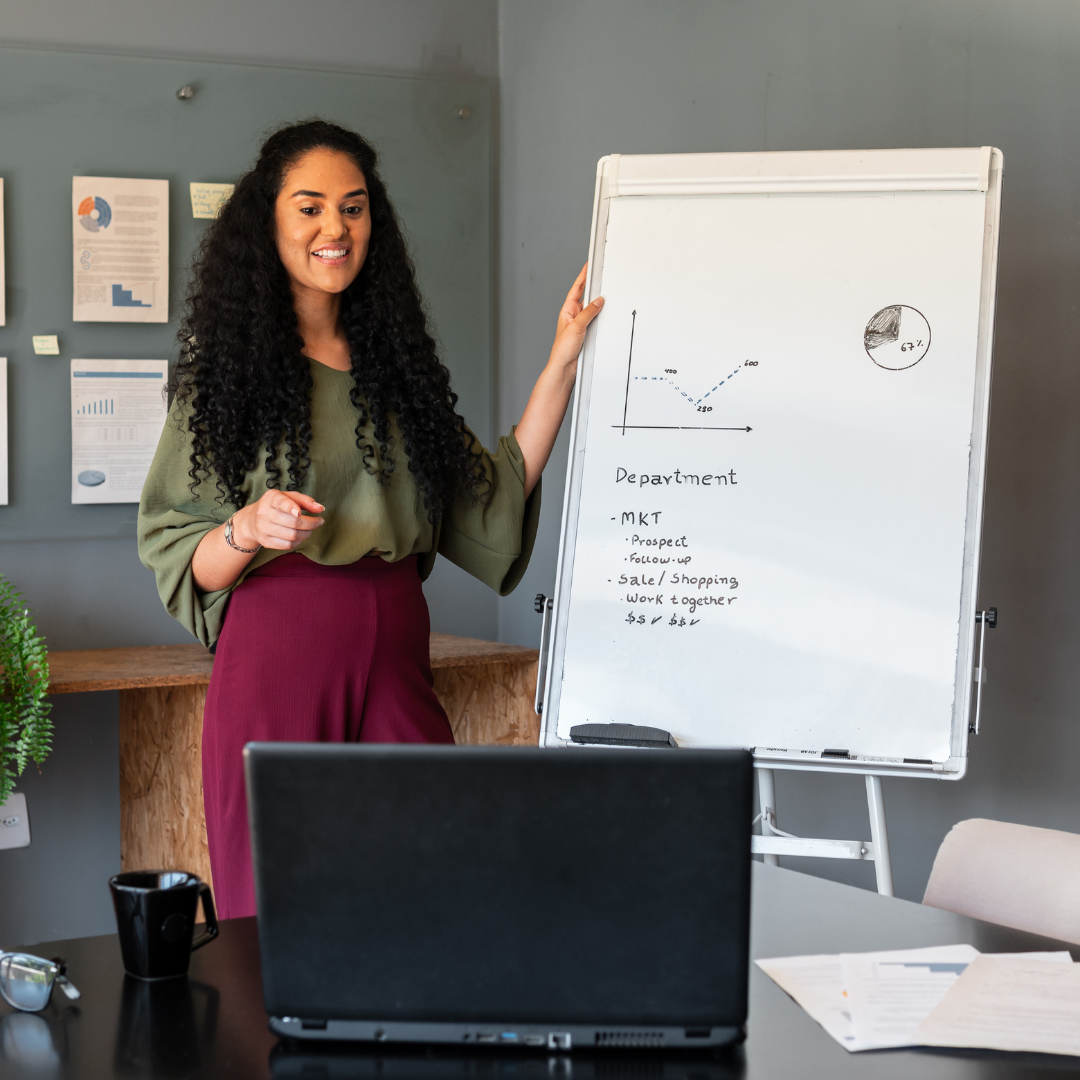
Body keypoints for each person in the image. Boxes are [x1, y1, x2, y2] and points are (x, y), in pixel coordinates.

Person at [138, 120, 603, 918]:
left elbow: (490, 494)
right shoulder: (226, 380)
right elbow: (181, 556)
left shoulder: (396, 372)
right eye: (310, 207)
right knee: (281, 898)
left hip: (394, 635)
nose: (334, 228)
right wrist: (245, 530)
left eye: (353, 209)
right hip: (279, 640)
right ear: (269, 222)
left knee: (431, 876)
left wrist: (562, 360)